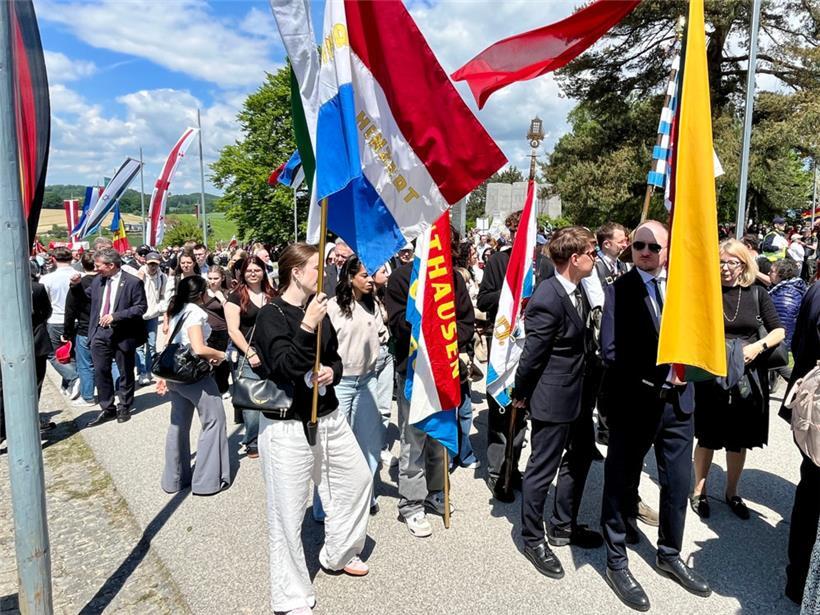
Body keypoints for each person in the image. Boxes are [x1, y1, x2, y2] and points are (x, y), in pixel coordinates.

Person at [253, 243, 371, 613]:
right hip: (287, 424)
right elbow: (284, 366)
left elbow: (333, 355)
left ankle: (338, 552)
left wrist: (331, 371)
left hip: (328, 414)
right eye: (317, 268)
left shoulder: (317, 309)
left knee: (357, 478)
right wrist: (306, 326)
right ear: (296, 273)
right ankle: (291, 597)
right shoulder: (271, 315)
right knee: (287, 513)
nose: (324, 274)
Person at [600, 221, 710, 611]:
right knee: (620, 481)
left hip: (680, 405)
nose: (644, 252)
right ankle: (616, 560)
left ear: (667, 250)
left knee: (678, 484)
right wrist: (658, 367)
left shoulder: (685, 289)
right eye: (638, 245)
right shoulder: (620, 291)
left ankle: (668, 553)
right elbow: (610, 351)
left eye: (652, 246)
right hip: (637, 402)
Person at [512, 227, 602, 580]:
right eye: (591, 253)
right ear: (574, 258)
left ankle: (563, 524)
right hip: (552, 398)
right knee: (541, 469)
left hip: (578, 397)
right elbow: (533, 355)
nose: (595, 258)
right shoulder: (548, 296)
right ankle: (533, 538)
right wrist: (521, 393)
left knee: (580, 458)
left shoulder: (577, 289)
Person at [384, 232, 474, 537]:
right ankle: (411, 503)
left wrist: (445, 339)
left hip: (444, 372)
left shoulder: (454, 279)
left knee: (440, 436)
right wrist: (428, 328)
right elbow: (397, 324)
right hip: (413, 371)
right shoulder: (400, 278)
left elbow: (466, 323)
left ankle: (436, 491)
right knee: (413, 440)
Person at [691, 239, 785, 520]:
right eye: (721, 261)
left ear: (744, 264)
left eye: (733, 262)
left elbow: (778, 331)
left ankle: (732, 492)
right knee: (707, 435)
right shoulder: (706, 292)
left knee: (738, 438)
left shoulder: (757, 292)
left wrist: (758, 347)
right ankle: (699, 490)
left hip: (747, 373)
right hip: (712, 372)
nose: (725, 268)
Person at [156, 276, 230, 496]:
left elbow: (170, 342)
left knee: (178, 425)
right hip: (194, 377)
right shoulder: (196, 312)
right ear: (201, 293)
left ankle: (174, 479)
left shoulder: (177, 309)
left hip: (175, 376)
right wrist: (221, 354)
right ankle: (207, 482)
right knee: (214, 422)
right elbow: (198, 348)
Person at [326, 256, 385, 514]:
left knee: (370, 444)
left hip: (369, 380)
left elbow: (382, 334)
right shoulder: (332, 307)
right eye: (364, 275)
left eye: (371, 274)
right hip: (342, 383)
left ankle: (365, 495)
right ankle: (327, 503)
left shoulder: (373, 305)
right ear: (350, 278)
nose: (370, 280)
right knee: (336, 447)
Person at [477, 210, 526, 501]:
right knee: (501, 409)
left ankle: (514, 465)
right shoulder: (498, 261)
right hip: (503, 346)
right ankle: (497, 472)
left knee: (522, 412)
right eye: (514, 231)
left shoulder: (542, 265)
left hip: (529, 348)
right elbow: (484, 300)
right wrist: (510, 293)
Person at [782, 281, 820, 605]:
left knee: (808, 493)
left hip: (811, 414)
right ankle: (799, 580)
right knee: (811, 498)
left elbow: (799, 341)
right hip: (815, 415)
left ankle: (797, 578)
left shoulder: (815, 288)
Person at [86, 248, 148, 426]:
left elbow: (140, 307)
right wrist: (75, 287)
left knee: (125, 371)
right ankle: (107, 408)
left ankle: (124, 405)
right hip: (100, 333)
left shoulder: (132, 282)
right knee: (100, 370)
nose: (96, 269)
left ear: (111, 265)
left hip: (123, 334)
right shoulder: (98, 281)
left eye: (99, 266)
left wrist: (116, 316)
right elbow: (87, 299)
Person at [225, 255, 276, 458]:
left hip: (271, 353)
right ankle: (252, 440)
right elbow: (233, 330)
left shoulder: (271, 293)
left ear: (264, 271)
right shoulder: (236, 296)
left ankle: (270, 436)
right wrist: (250, 352)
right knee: (252, 401)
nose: (253, 273)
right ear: (243, 273)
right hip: (249, 354)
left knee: (273, 397)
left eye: (257, 269)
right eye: (249, 270)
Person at [39, 247, 80, 399]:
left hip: (55, 319)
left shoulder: (47, 279)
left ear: (54, 260)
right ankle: (70, 385)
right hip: (76, 320)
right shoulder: (79, 275)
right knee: (73, 354)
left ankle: (74, 378)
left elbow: (44, 302)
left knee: (54, 354)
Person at [63, 252, 97, 407]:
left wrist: (67, 332)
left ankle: (88, 396)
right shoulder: (107, 281)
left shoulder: (78, 284)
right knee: (111, 362)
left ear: (82, 265)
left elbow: (69, 310)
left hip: (84, 328)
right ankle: (114, 390)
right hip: (105, 327)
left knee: (85, 365)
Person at [372, 264, 396, 467]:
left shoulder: (385, 294)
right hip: (368, 357)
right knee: (365, 407)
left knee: (384, 406)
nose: (387, 274)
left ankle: (380, 447)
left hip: (386, 353)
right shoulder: (357, 300)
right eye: (382, 271)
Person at [768, 258, 807, 385]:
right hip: (786, 343)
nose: (769, 273)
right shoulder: (787, 288)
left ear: (781, 274)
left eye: (772, 271)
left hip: (783, 344)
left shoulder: (785, 296)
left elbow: (783, 323)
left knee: (783, 368)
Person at [136, 251, 168, 386]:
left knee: (151, 344)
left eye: (155, 264)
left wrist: (160, 308)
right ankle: (142, 371)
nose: (153, 267)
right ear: (146, 263)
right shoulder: (140, 275)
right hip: (139, 315)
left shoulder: (162, 277)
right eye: (151, 264)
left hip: (153, 314)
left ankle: (148, 370)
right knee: (138, 346)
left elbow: (163, 296)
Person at [202, 265, 231, 395]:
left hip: (221, 331)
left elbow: (232, 312)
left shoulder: (227, 293)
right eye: (210, 278)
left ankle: (223, 387)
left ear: (222, 278)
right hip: (206, 330)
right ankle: (209, 386)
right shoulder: (202, 292)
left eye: (216, 278)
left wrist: (222, 299)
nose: (212, 281)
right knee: (206, 360)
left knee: (221, 361)